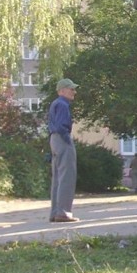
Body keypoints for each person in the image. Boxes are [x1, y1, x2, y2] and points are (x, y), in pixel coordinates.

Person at [48, 78, 80, 222]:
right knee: (67, 177)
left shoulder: (56, 103)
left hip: (54, 139)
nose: (74, 91)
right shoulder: (62, 104)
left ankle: (55, 213)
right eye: (71, 89)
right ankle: (63, 213)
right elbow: (61, 126)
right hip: (61, 139)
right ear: (61, 91)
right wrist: (68, 139)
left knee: (58, 178)